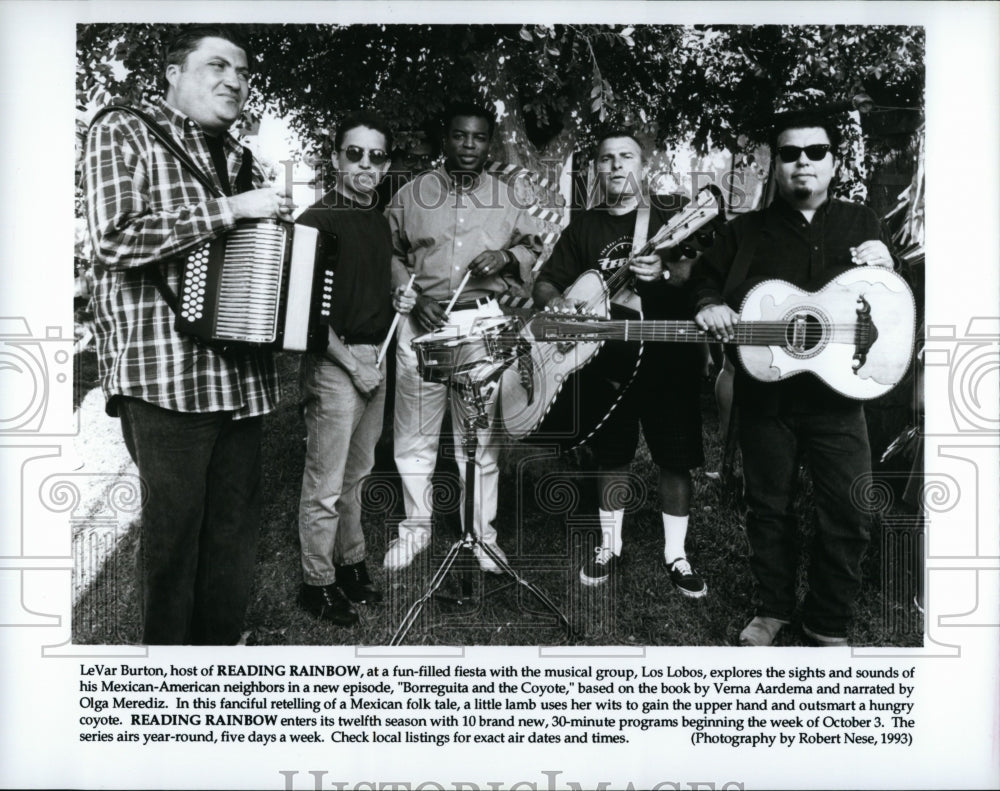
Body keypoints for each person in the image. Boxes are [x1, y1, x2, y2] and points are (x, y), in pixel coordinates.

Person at [84, 26, 294, 644]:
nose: (235, 80)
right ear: (173, 73)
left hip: (242, 379)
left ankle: (218, 654)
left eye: (244, 73)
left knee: (234, 531)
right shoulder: (122, 128)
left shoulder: (239, 158)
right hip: (164, 376)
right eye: (217, 66)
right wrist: (233, 209)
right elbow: (112, 238)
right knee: (173, 538)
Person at [692, 110, 897, 647]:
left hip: (839, 397)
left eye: (815, 152)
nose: (802, 162)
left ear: (834, 162)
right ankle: (773, 609)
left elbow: (889, 301)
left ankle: (827, 620)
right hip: (766, 393)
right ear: (775, 164)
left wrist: (889, 264)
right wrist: (710, 303)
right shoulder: (745, 232)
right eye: (789, 153)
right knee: (769, 507)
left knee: (849, 510)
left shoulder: (863, 223)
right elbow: (705, 280)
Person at [532, 131, 707, 597]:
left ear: (643, 165)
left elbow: (698, 272)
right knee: (613, 455)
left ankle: (677, 554)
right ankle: (611, 545)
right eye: (605, 159)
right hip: (605, 361)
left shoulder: (673, 215)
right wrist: (559, 306)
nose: (614, 166)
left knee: (674, 457)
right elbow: (546, 283)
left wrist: (666, 273)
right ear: (596, 169)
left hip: (668, 358)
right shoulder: (584, 226)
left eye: (625, 157)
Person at [386, 101, 542, 572]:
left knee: (478, 438)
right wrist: (409, 293)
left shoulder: (508, 195)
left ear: (487, 141)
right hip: (422, 324)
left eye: (477, 137)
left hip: (480, 327)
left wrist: (507, 257)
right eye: (459, 136)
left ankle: (481, 535)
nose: (468, 145)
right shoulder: (412, 194)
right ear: (446, 138)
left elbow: (533, 246)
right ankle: (415, 529)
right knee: (415, 436)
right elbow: (390, 252)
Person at [295, 111, 414, 625]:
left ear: (386, 162)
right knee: (324, 483)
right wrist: (353, 366)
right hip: (335, 361)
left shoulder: (376, 217)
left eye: (377, 155)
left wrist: (399, 289)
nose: (366, 164)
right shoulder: (315, 221)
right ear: (335, 158)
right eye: (354, 153)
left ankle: (351, 564)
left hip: (377, 355)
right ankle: (315, 583)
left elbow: (379, 273)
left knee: (358, 475)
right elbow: (305, 315)